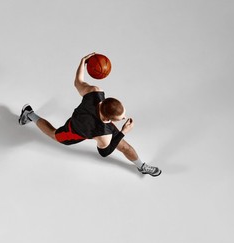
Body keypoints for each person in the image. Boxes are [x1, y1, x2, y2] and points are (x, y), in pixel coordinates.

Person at [18, 53, 161, 177]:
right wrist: (122, 132)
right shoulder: (103, 135)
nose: (124, 118)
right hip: (74, 130)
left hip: (90, 120)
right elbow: (105, 152)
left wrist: (82, 62)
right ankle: (29, 114)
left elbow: (77, 82)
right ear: (109, 119)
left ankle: (141, 166)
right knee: (53, 133)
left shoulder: (94, 93)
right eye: (120, 118)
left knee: (125, 147)